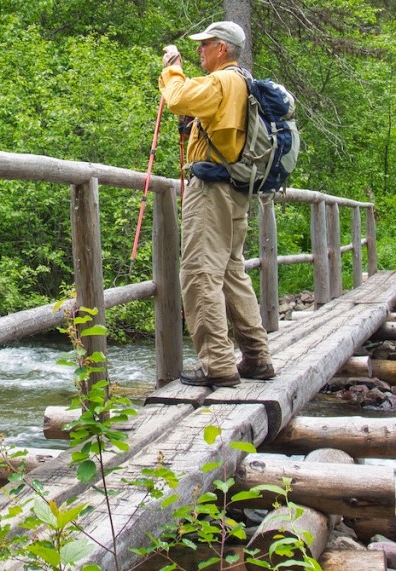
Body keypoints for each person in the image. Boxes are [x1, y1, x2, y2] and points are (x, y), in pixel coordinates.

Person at [157, 21, 276, 387]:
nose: (200, 51)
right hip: (235, 189)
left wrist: (171, 67)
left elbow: (176, 97)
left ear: (221, 48)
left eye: (205, 45)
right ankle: (256, 358)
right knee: (230, 273)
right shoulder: (241, 81)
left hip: (211, 191)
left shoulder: (223, 81)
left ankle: (218, 366)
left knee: (198, 274)